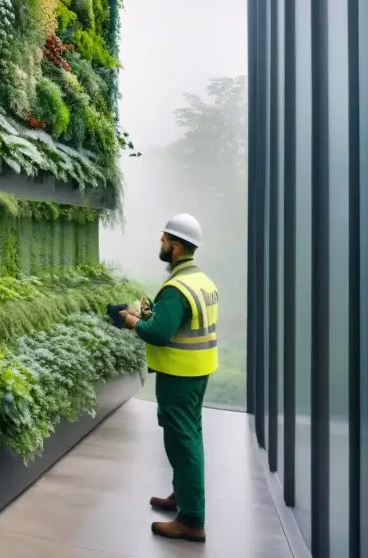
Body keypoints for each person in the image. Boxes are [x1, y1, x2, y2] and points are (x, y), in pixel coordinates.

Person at [119, 213, 218, 544]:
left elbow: (160, 333)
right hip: (196, 371)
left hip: (180, 373)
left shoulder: (177, 288)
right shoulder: (200, 280)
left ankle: (191, 520)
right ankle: (182, 497)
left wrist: (133, 321)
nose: (160, 245)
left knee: (182, 441)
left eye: (164, 241)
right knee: (188, 437)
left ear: (175, 247)